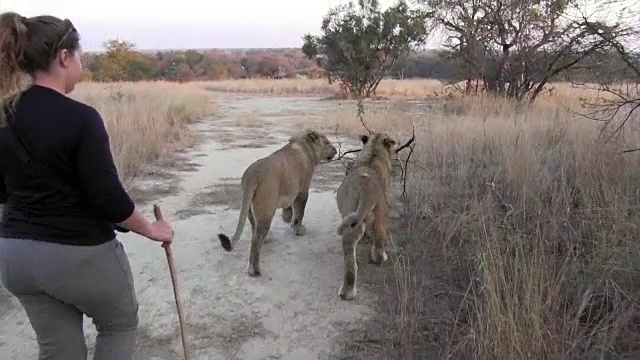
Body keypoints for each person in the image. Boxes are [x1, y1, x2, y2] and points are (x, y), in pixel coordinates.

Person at [0, 12, 175, 360]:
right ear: (64, 57)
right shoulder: (81, 118)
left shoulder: (4, 115)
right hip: (79, 253)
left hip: (15, 255)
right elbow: (108, 198)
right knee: (118, 325)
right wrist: (152, 230)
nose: (81, 62)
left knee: (57, 350)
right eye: (79, 55)